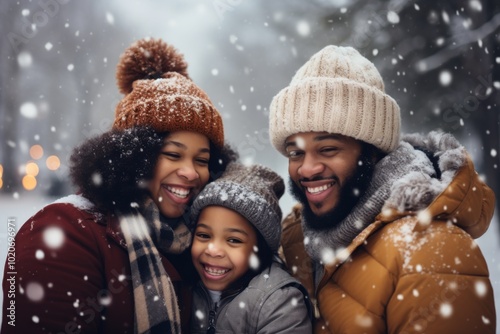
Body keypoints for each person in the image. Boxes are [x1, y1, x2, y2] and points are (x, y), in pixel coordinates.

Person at [1, 38, 236, 333]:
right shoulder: (64, 231)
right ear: (134, 155)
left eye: (201, 160)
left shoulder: (196, 242)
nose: (190, 172)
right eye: (173, 155)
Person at [268, 45, 496, 333]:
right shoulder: (295, 239)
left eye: (327, 149)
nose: (307, 169)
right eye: (295, 153)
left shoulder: (432, 250)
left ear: (373, 152)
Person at [188, 163, 313, 333]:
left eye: (233, 240)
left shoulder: (278, 302)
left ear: (260, 248)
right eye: (203, 235)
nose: (212, 250)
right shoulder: (186, 286)